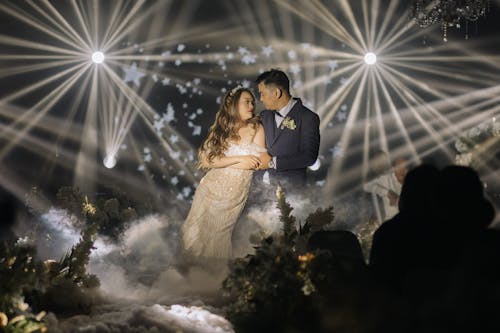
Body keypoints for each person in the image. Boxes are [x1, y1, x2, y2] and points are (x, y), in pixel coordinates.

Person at [181, 86, 266, 259]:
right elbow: (207, 160)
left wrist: (233, 162)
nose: (251, 105)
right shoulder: (222, 129)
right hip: (209, 188)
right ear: (234, 105)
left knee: (219, 233)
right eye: (246, 102)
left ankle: (213, 279)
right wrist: (239, 160)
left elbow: (260, 162)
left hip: (234, 192)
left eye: (252, 102)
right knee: (195, 230)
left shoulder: (256, 128)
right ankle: (190, 274)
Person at [255, 69, 320, 188]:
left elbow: (309, 157)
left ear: (276, 93)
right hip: (260, 190)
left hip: (291, 192)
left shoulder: (308, 117)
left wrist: (271, 162)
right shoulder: (264, 116)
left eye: (262, 94)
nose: (261, 99)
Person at [363, 156, 408, 221]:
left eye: (405, 167)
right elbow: (366, 185)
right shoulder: (386, 179)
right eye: (399, 167)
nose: (402, 170)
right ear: (393, 168)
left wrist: (397, 201)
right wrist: (387, 193)